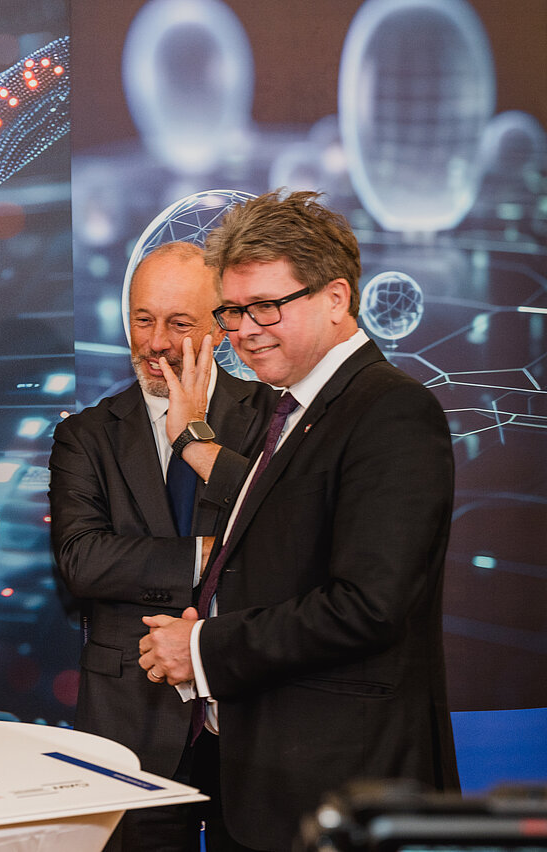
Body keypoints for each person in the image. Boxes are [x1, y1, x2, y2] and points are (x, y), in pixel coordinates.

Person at [139, 191, 459, 851]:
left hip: (339, 792)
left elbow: (366, 606)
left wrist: (202, 649)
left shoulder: (392, 411)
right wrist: (195, 442)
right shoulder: (295, 407)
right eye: (232, 310)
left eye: (267, 307)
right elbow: (286, 511)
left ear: (336, 298)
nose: (244, 330)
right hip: (265, 784)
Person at [49, 242, 274, 852]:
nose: (155, 343)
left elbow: (288, 543)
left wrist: (196, 434)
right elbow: (82, 561)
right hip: (131, 718)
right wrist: (215, 556)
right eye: (143, 320)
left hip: (253, 716)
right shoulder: (85, 436)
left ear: (221, 329)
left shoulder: (272, 421)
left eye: (179, 324)